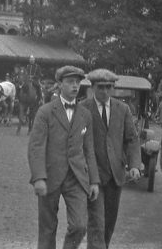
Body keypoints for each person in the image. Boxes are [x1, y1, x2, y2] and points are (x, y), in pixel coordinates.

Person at [28, 65, 100, 249]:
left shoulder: (85, 115)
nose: (75, 86)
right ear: (60, 84)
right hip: (50, 176)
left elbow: (89, 150)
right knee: (47, 228)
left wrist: (93, 181)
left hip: (76, 177)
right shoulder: (45, 112)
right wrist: (39, 177)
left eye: (77, 82)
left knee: (79, 225)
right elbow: (36, 147)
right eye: (70, 82)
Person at [80, 69, 141, 249]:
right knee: (96, 224)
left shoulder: (123, 109)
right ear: (92, 88)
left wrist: (135, 165)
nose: (105, 91)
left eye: (109, 87)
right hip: (93, 177)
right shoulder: (83, 109)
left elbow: (132, 139)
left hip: (116, 176)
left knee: (108, 224)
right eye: (101, 87)